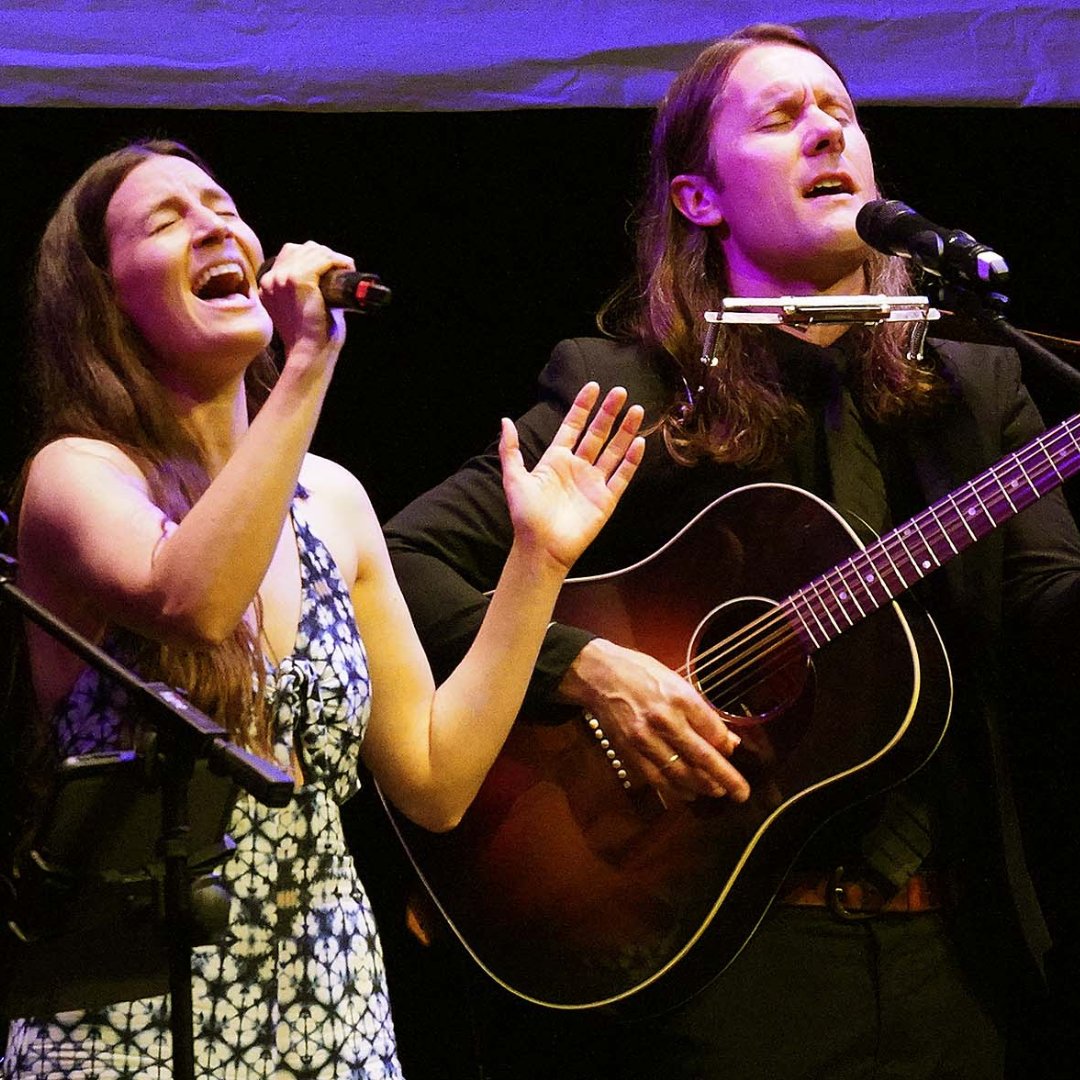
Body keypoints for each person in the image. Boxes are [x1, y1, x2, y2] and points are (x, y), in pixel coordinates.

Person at [383, 22, 1080, 1080]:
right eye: (782, 117)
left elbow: (1050, 617)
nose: (826, 132)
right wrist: (586, 667)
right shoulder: (633, 387)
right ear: (698, 198)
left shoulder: (977, 389)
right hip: (716, 963)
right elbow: (401, 561)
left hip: (955, 961)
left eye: (839, 112)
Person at [0, 138, 645, 1079]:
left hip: (325, 1007)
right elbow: (194, 601)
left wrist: (536, 561)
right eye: (168, 221)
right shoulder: (77, 477)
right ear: (106, 298)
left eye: (224, 208)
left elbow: (435, 779)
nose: (215, 227)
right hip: (128, 1014)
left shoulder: (331, 501)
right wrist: (307, 363)